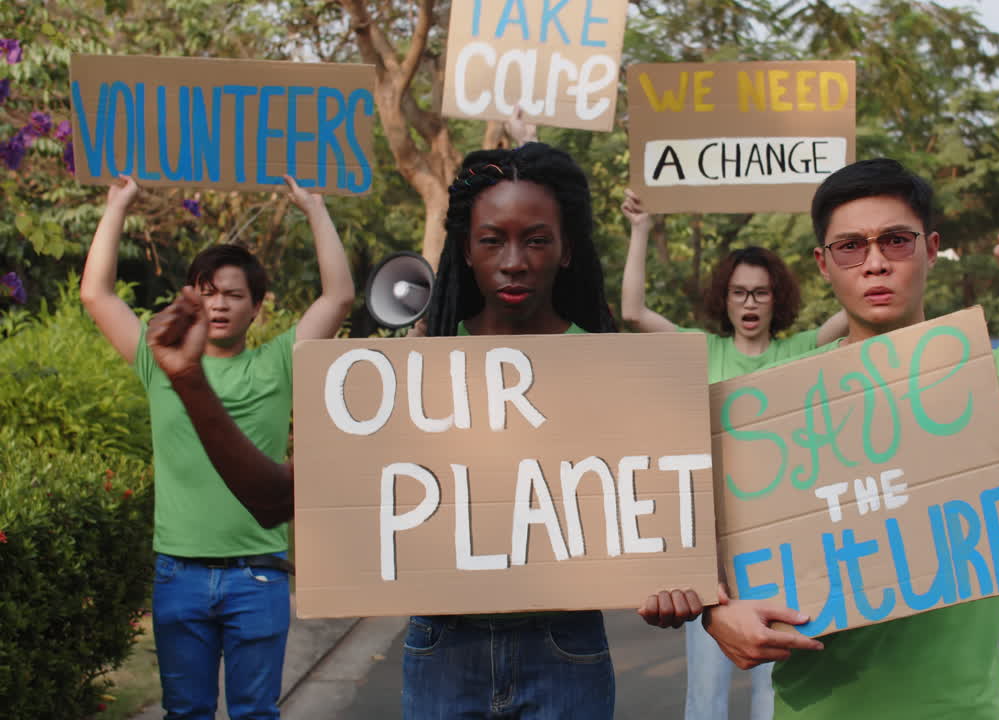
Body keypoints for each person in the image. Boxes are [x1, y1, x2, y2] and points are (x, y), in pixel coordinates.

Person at [145, 143, 702, 719]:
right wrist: (189, 379)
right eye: (492, 240)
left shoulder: (615, 370)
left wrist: (672, 582)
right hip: (443, 652)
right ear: (466, 249)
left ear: (565, 251)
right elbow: (271, 501)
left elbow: (659, 519)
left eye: (536, 239)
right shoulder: (408, 372)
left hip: (569, 650)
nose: (513, 260)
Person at [700, 158, 999, 720]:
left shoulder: (992, 374)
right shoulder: (773, 403)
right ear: (824, 265)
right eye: (850, 247)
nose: (875, 263)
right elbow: (707, 544)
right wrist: (714, 612)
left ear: (930, 249)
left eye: (895, 241)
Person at [80, 174, 355, 720]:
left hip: (257, 575)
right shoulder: (159, 361)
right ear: (191, 301)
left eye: (234, 295)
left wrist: (315, 207)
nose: (220, 306)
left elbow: (339, 295)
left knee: (256, 713)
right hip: (177, 574)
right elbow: (96, 293)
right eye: (207, 294)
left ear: (257, 307)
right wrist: (118, 205)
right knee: (186, 713)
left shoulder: (278, 362)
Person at [619, 191, 845, 720]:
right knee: (706, 694)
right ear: (725, 298)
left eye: (761, 293)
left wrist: (841, 233)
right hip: (715, 556)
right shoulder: (703, 350)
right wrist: (641, 229)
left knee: (776, 692)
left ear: (776, 299)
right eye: (740, 292)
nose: (749, 303)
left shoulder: (802, 351)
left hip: (787, 549)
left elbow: (860, 302)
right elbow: (632, 311)